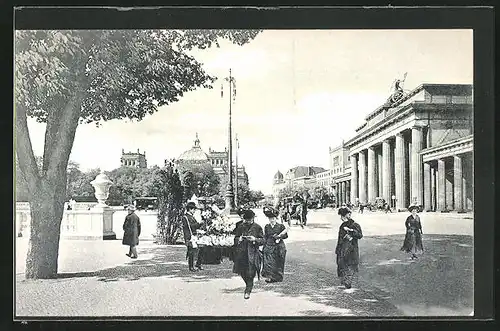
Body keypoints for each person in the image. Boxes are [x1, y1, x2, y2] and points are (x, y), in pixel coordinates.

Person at [232, 209, 265, 299]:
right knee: (242, 271)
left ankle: (248, 290)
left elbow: (263, 240)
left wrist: (255, 239)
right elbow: (235, 238)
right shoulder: (240, 226)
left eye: (250, 220)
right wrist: (239, 239)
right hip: (241, 253)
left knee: (251, 273)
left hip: (253, 253)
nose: (248, 222)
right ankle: (248, 285)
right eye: (246, 220)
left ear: (253, 219)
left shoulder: (257, 227)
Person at [335, 207, 363, 289]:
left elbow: (360, 235)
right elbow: (340, 238)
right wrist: (338, 249)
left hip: (352, 249)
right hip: (342, 249)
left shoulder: (355, 225)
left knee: (351, 265)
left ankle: (349, 281)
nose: (341, 218)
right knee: (342, 265)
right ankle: (345, 280)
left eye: (343, 216)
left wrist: (350, 230)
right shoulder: (342, 226)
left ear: (348, 215)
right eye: (341, 216)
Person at [262, 206, 288, 283]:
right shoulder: (267, 226)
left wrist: (279, 236)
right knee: (269, 262)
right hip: (269, 245)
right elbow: (265, 236)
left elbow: (286, 236)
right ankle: (269, 277)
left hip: (278, 246)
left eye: (273, 218)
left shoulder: (280, 226)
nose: (272, 220)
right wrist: (264, 246)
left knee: (278, 261)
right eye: (270, 219)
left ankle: (278, 277)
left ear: (276, 218)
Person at [182, 201, 203, 272]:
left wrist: (200, 224)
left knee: (199, 250)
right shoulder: (185, 217)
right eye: (194, 209)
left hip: (194, 236)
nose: (194, 211)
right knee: (191, 251)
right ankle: (191, 266)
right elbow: (190, 227)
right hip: (189, 237)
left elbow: (195, 225)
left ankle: (198, 264)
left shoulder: (191, 217)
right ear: (190, 209)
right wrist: (198, 224)